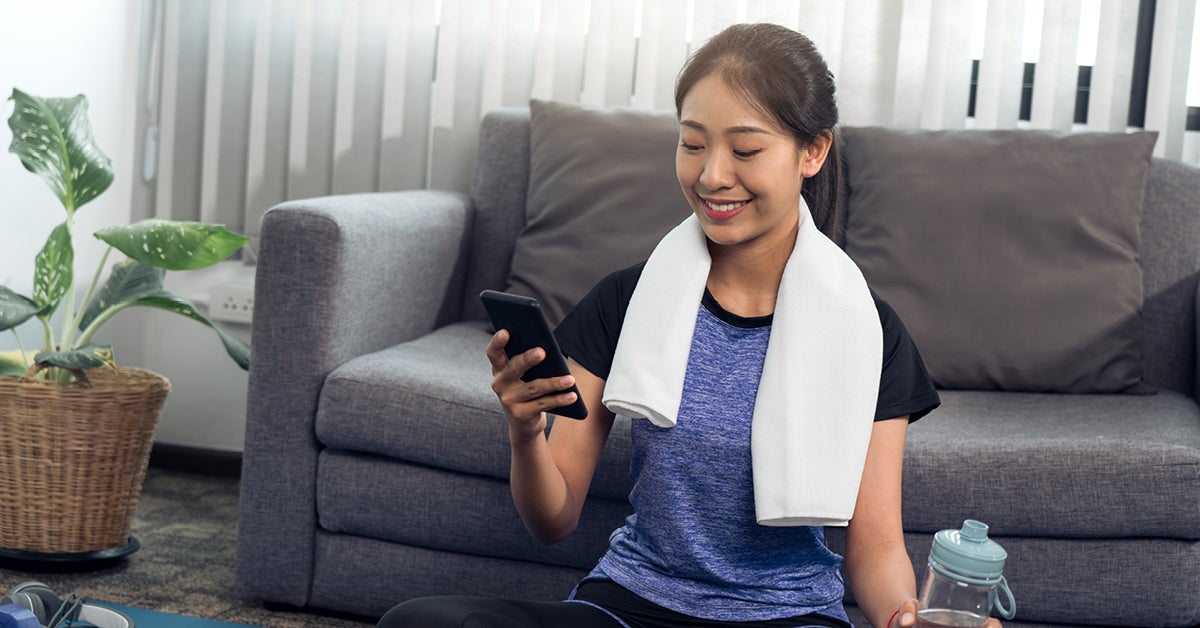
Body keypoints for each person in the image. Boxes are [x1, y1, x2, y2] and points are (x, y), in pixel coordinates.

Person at [377, 23, 1003, 628]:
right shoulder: (626, 300)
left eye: (746, 150)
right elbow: (553, 519)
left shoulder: (868, 331)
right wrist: (523, 430)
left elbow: (875, 547)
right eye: (693, 144)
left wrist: (905, 618)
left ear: (812, 152)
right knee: (421, 621)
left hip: (786, 616)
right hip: (630, 603)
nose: (711, 176)